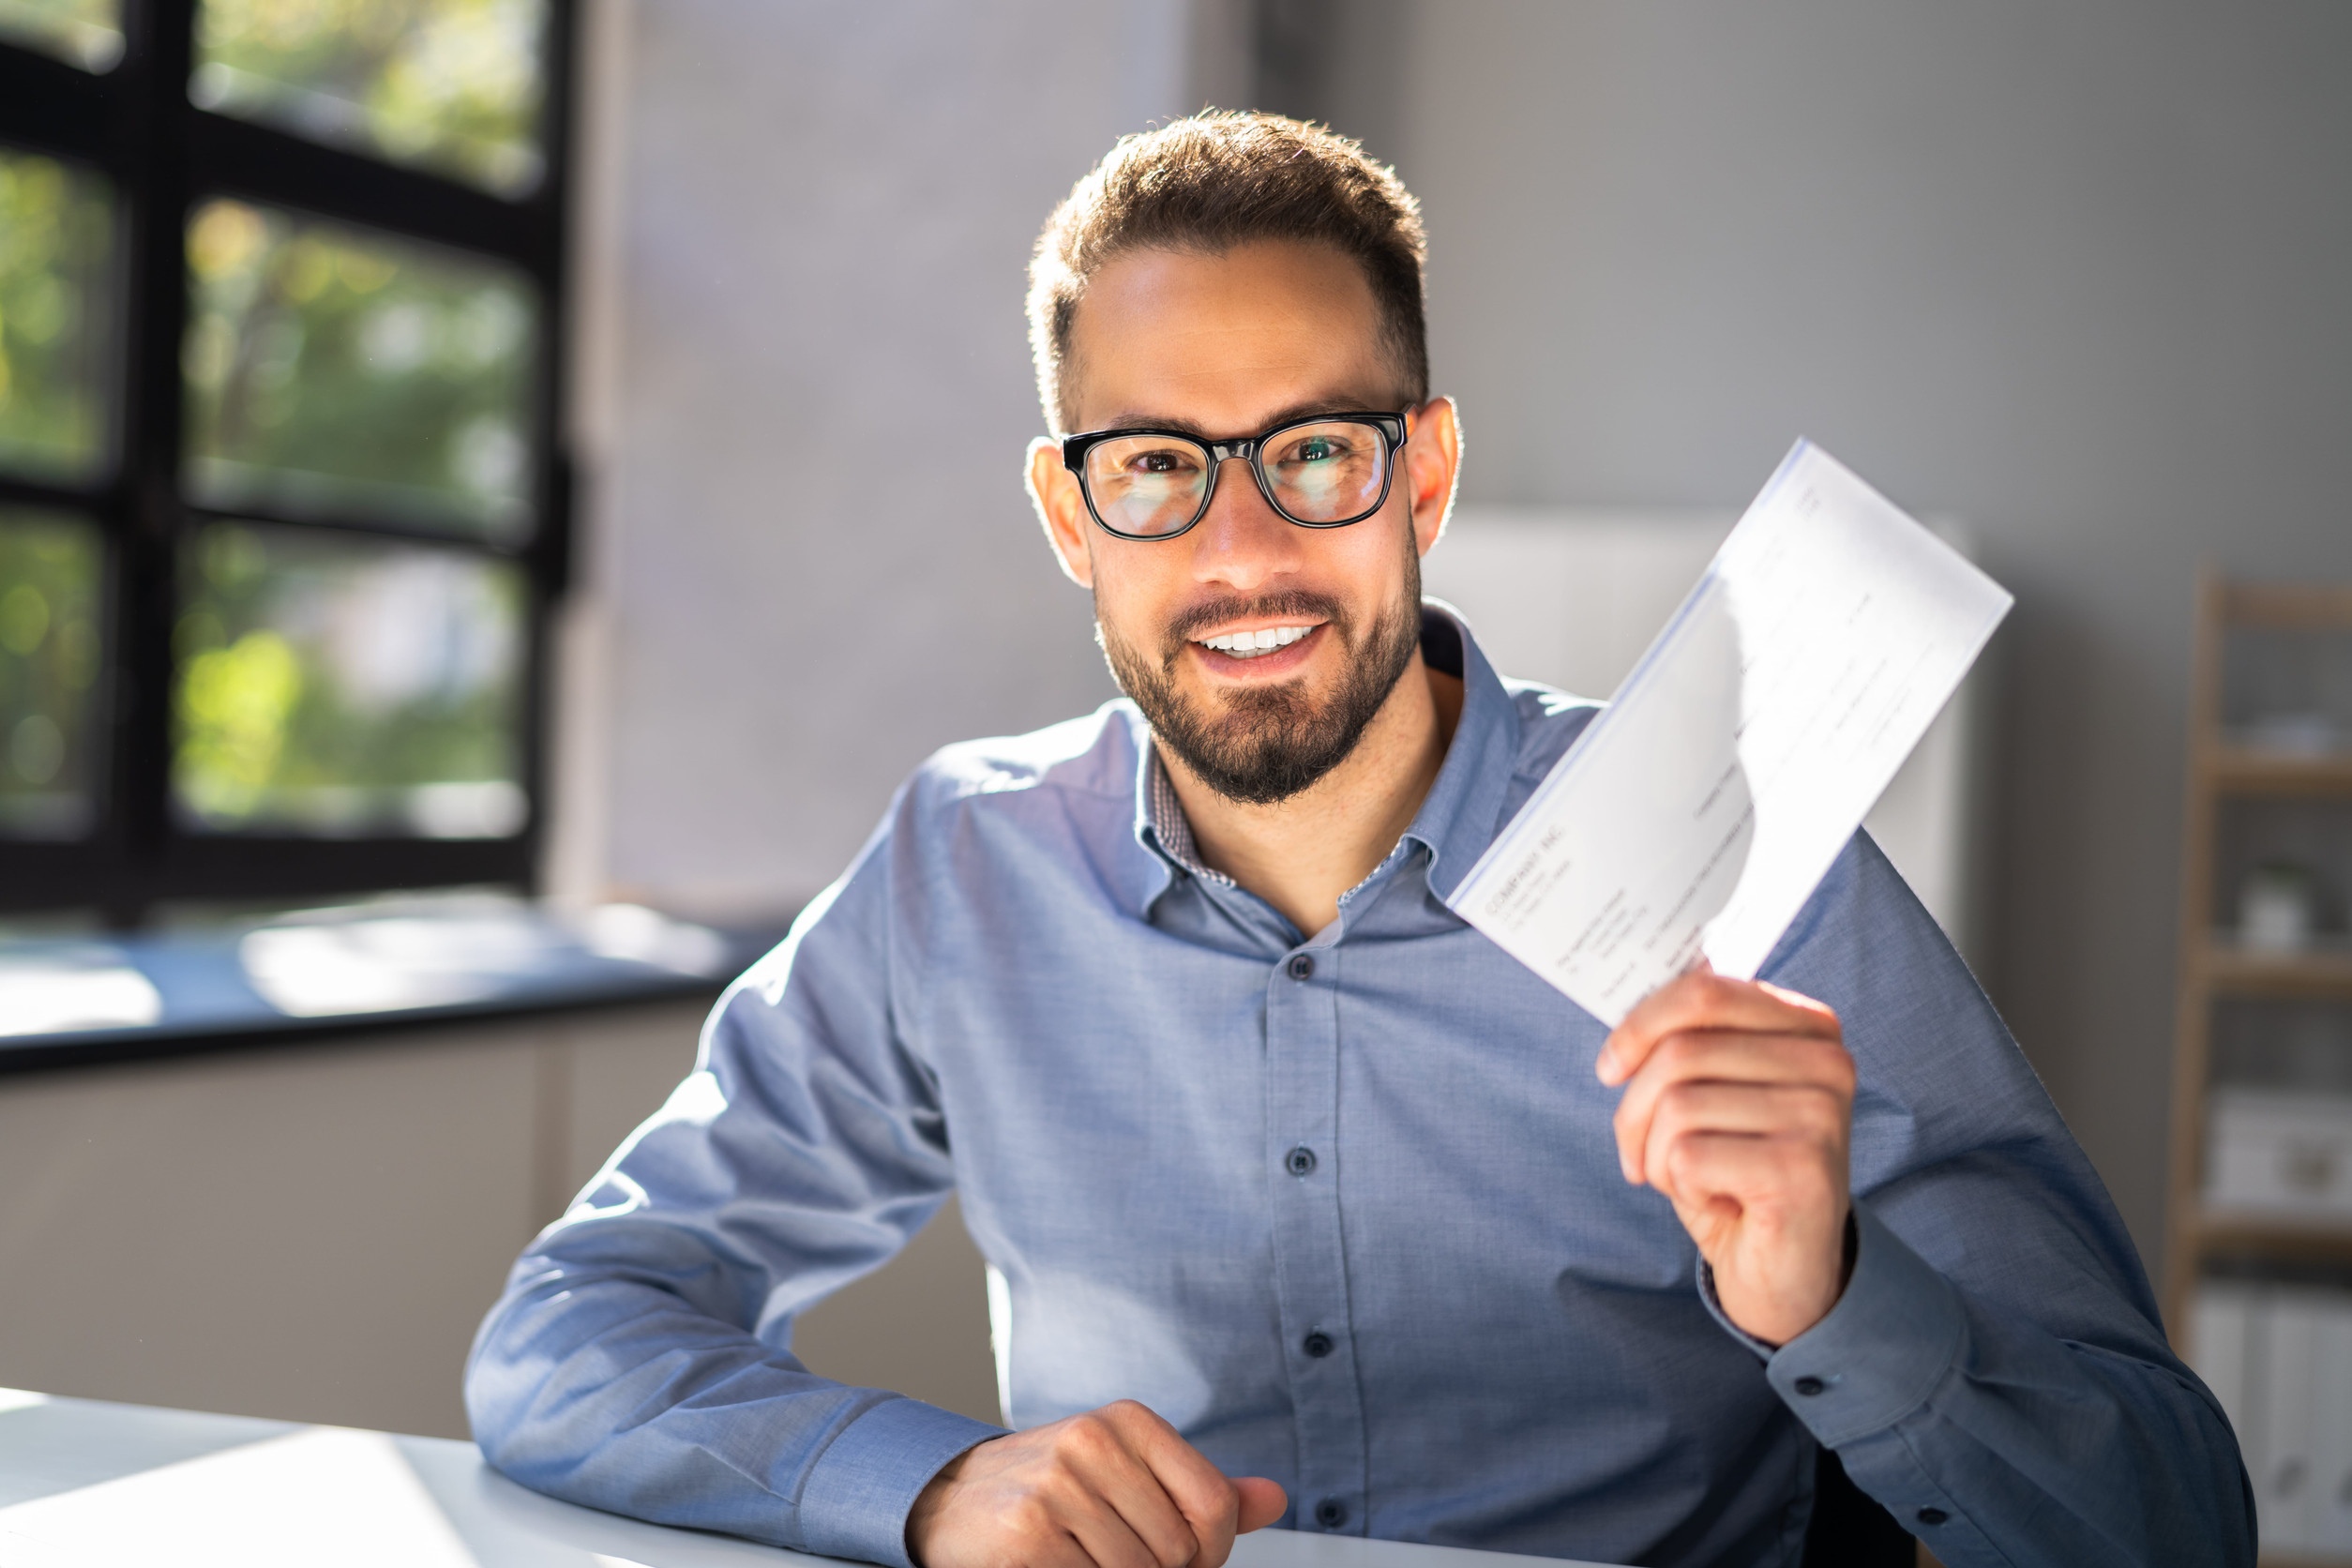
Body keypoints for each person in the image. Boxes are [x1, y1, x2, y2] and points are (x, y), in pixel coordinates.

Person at [466, 113, 2252, 1568]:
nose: (1241, 548)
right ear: (1069, 516)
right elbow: (566, 1337)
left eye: (1313, 452)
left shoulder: (1750, 868)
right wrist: (923, 1485)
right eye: (1157, 466)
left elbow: (2170, 1528)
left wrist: (1835, 1290)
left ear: (1428, 471)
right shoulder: (963, 869)